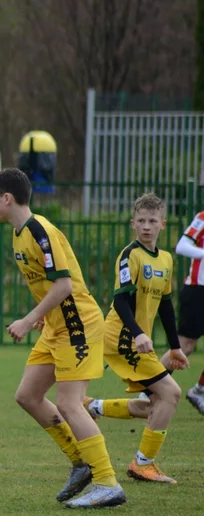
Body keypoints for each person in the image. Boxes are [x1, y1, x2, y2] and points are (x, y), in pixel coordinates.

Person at [0, 168, 125, 508]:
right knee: (28, 395)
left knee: (68, 403)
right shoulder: (18, 234)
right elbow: (51, 286)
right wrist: (43, 317)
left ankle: (107, 482)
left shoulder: (39, 231)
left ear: (6, 198)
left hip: (78, 326)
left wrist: (29, 317)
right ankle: (80, 462)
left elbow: (64, 286)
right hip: (55, 326)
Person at [84, 194, 189, 483]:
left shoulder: (166, 259)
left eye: (152, 221)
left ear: (162, 225)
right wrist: (139, 333)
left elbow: (166, 306)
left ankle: (92, 407)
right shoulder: (130, 255)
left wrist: (177, 347)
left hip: (136, 341)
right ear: (133, 224)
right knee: (171, 394)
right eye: (141, 221)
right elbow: (120, 302)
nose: (146, 227)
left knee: (157, 405)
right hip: (121, 338)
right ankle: (143, 464)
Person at [157, 206, 204, 413]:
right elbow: (182, 246)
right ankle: (149, 389)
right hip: (198, 290)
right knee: (184, 346)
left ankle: (200, 390)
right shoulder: (202, 217)